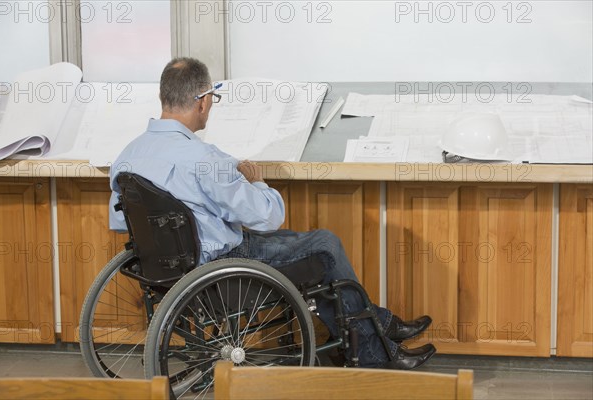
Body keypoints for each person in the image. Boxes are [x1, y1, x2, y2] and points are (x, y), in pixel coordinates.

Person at [109, 57, 436, 370]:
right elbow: (267, 216)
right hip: (221, 268)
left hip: (168, 273)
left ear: (163, 96)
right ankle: (373, 351)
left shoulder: (128, 156)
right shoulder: (203, 159)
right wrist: (258, 182)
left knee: (297, 242)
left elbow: (120, 221)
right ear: (203, 101)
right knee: (324, 244)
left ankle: (379, 324)